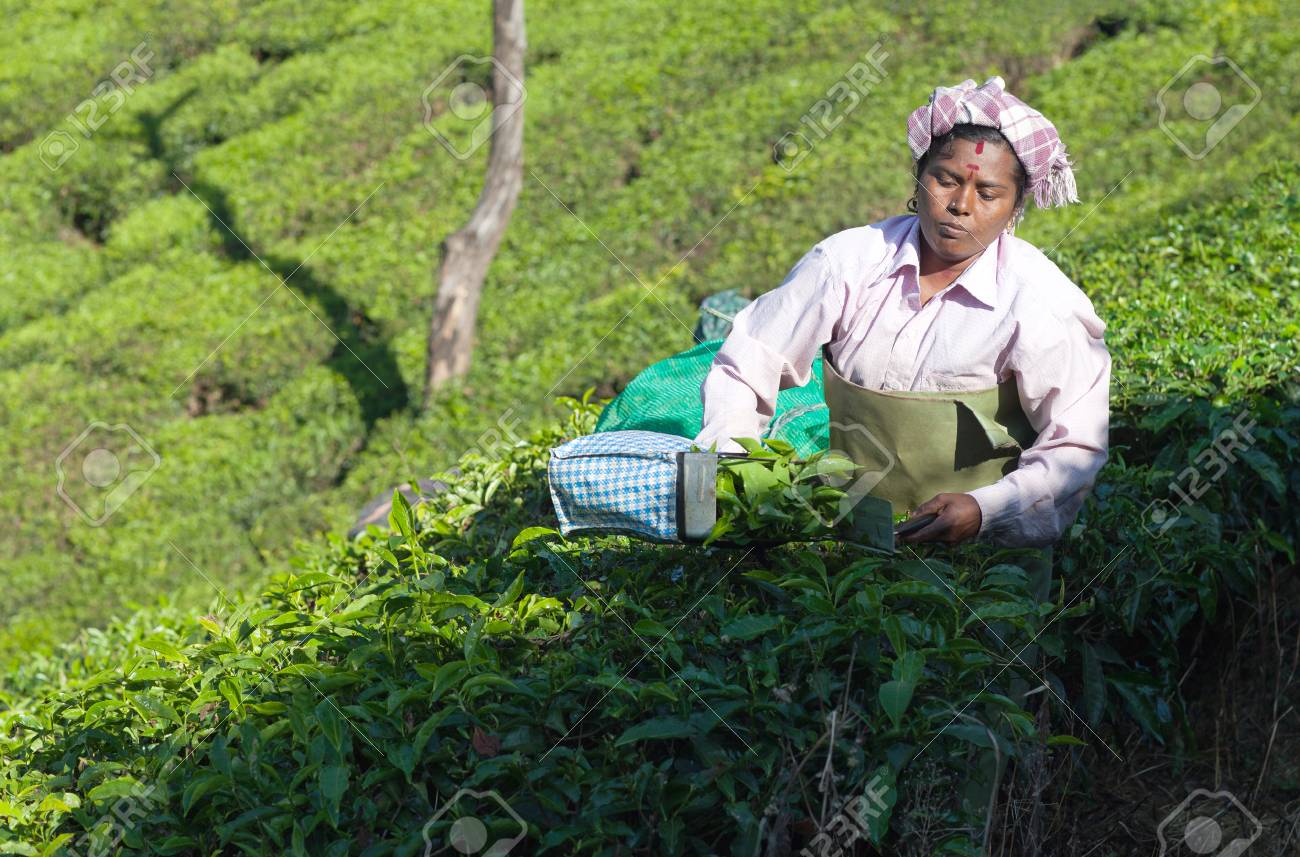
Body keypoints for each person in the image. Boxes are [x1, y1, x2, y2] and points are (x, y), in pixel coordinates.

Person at [694, 76, 1110, 551]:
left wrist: (984, 511)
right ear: (919, 175)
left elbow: (1076, 446)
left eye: (988, 193)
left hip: (988, 568)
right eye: (946, 179)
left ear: (1016, 207)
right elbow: (746, 366)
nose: (960, 205)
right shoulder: (847, 263)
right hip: (846, 549)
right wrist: (735, 471)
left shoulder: (1043, 303)